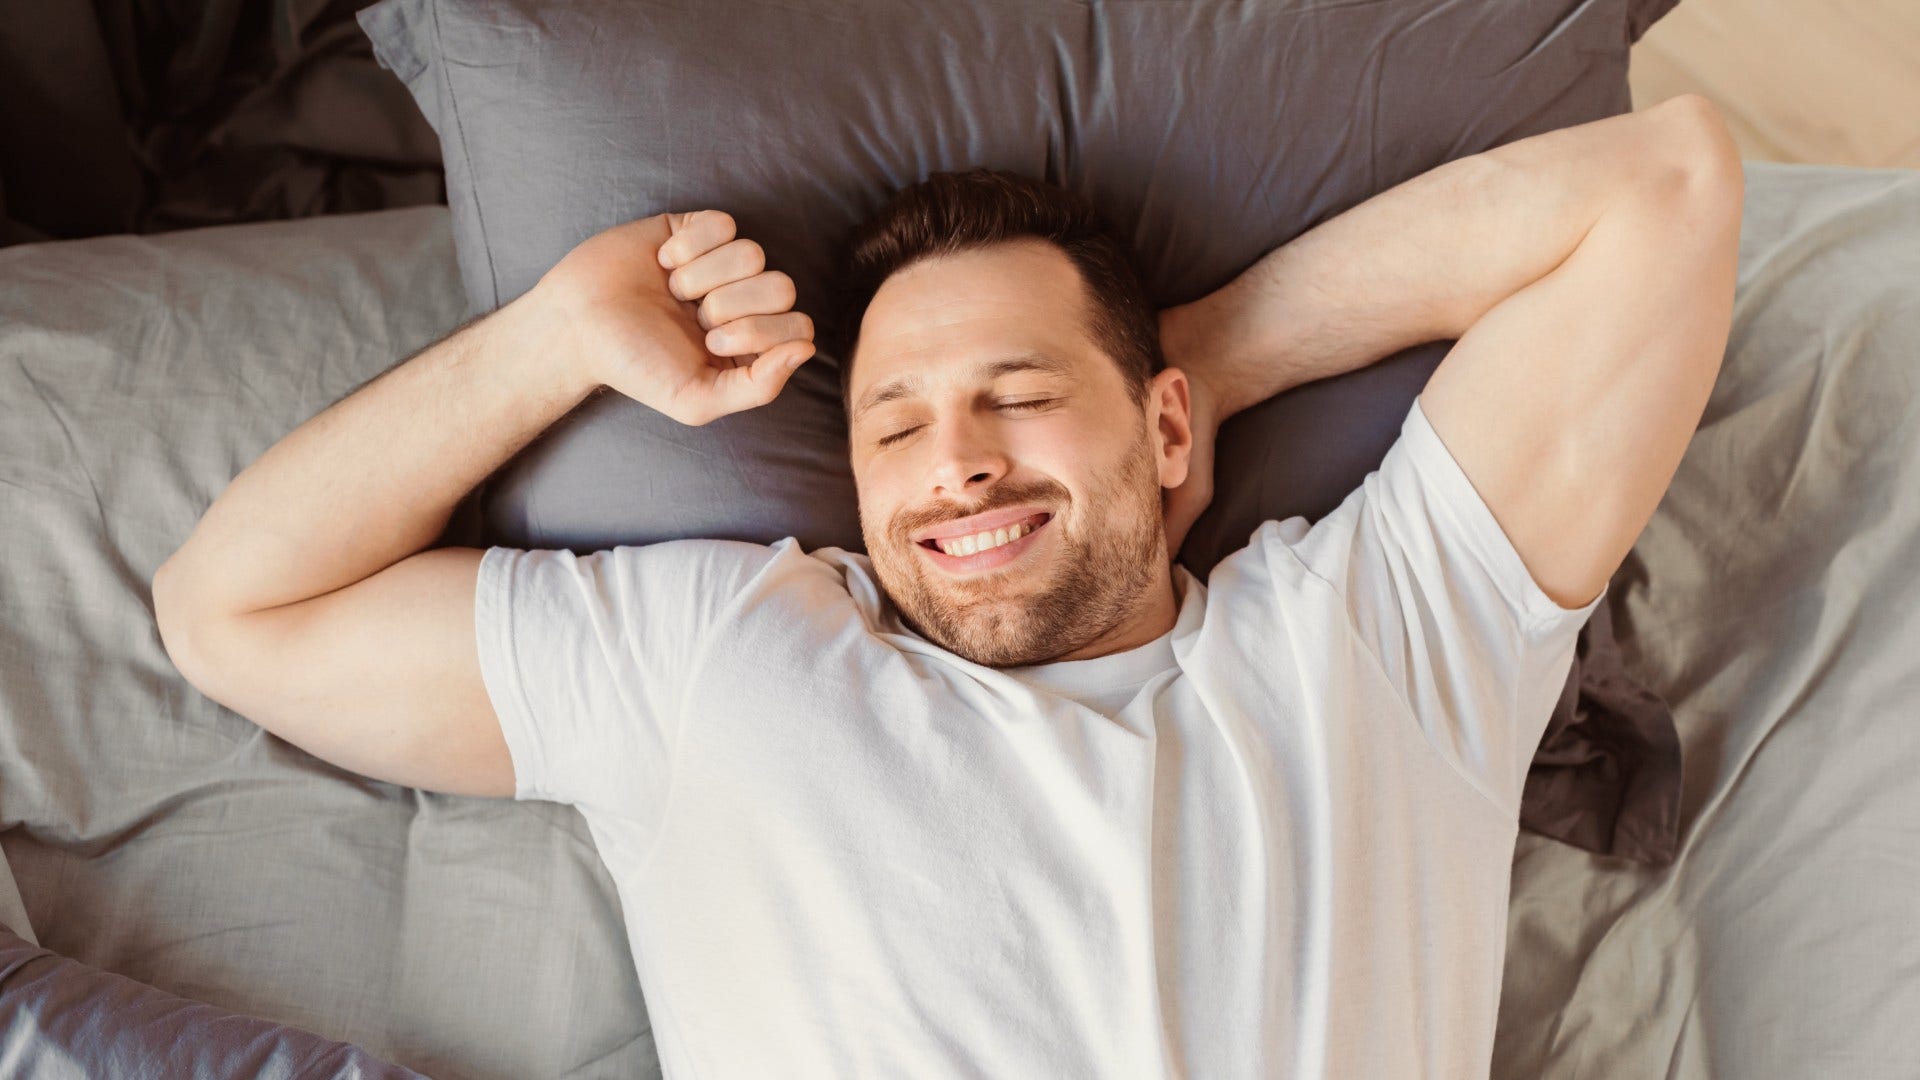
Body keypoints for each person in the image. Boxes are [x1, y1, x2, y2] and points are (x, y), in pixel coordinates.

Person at [152, 95, 1741, 1078]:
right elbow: (235, 613)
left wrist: (1177, 378)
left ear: (1169, 414)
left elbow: (1661, 183)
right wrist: (556, 337)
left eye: (1019, 392)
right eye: (895, 426)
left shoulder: (1383, 636)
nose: (957, 462)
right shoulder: (725, 658)